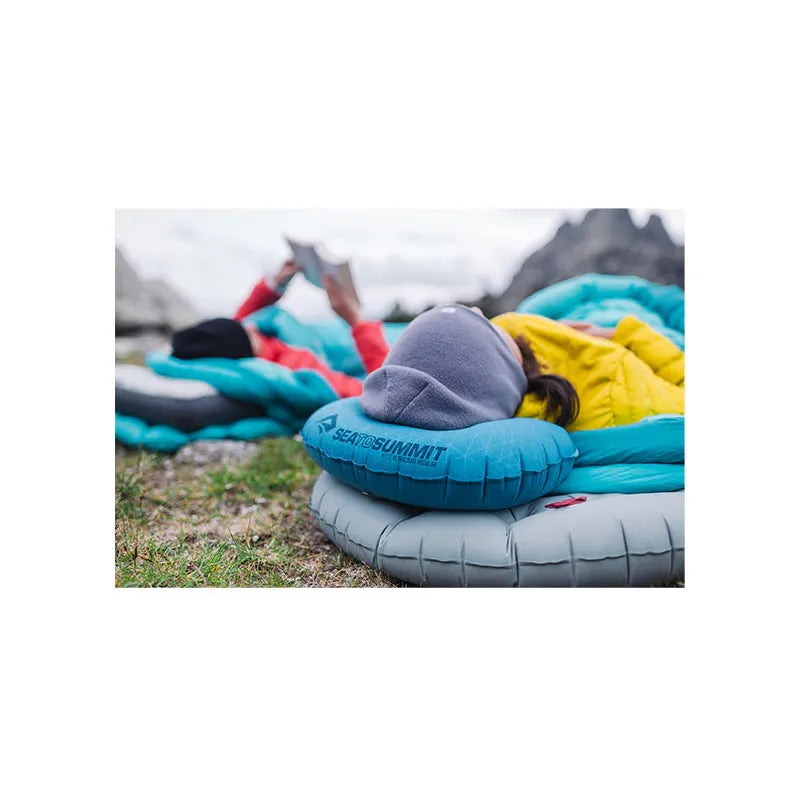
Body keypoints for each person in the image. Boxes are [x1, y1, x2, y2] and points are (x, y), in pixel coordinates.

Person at [359, 302, 684, 432]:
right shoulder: (614, 388)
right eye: (482, 322)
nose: (477, 308)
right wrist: (628, 332)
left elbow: (413, 382)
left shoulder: (513, 342)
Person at [171, 261, 389, 398]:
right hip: (366, 348)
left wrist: (276, 283)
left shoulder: (243, 345)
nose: (251, 325)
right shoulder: (298, 371)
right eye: (246, 331)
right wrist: (356, 321)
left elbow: (242, 318)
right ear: (246, 347)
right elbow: (383, 392)